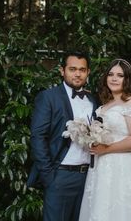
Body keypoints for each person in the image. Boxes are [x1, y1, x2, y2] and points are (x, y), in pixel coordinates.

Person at [78, 58, 131, 221]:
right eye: (110, 74)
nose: (114, 78)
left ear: (127, 79)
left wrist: (105, 149)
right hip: (101, 167)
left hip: (123, 167)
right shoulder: (104, 105)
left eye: (120, 75)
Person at [28, 51, 99, 221]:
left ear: (88, 72)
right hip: (60, 175)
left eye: (82, 70)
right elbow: (38, 137)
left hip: (89, 177)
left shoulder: (93, 100)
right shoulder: (49, 97)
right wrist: (49, 177)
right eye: (72, 69)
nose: (77, 74)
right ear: (62, 70)